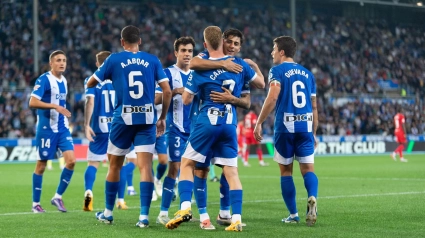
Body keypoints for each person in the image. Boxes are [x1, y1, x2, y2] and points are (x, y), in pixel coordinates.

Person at [165, 26, 259, 232]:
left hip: (206, 122)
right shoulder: (240, 66)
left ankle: (185, 208)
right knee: (231, 172)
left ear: (205, 45)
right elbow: (260, 84)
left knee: (188, 165)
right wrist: (253, 65)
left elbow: (188, 100)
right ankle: (235, 218)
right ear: (223, 42)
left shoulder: (200, 69)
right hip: (229, 124)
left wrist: (197, 89)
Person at [86, 25, 172, 227]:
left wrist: (109, 74)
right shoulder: (152, 60)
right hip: (147, 119)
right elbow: (167, 91)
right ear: (139, 41)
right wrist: (162, 118)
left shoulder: (114, 59)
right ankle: (143, 216)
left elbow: (91, 82)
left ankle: (108, 212)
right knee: (145, 167)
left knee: (115, 165)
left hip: (122, 119)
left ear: (122, 42)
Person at [189, 28, 264, 228]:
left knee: (223, 171)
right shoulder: (206, 57)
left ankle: (223, 214)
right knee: (203, 169)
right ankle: (204, 216)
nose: (232, 46)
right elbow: (194, 63)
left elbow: (248, 101)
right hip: (208, 122)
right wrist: (221, 63)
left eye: (236, 44)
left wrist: (232, 98)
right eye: (229, 42)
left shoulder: (240, 68)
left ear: (240, 47)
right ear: (222, 41)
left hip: (223, 124)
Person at [253, 36, 319, 227]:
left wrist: (259, 122)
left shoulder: (277, 70)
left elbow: (273, 97)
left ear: (282, 52)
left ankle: (293, 214)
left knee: (286, 172)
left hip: (285, 127)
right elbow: (314, 107)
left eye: (274, 49)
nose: (272, 52)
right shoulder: (308, 74)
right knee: (308, 170)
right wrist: (314, 132)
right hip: (306, 126)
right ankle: (312, 197)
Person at [155, 36, 196, 225]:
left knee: (194, 170)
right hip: (176, 129)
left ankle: (185, 209)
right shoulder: (168, 73)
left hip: (196, 130)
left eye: (190, 51)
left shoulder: (197, 73)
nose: (187, 54)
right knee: (175, 168)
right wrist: (172, 91)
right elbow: (155, 98)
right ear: (176, 53)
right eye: (184, 50)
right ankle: (163, 213)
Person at [29, 50, 76, 213]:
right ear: (51, 63)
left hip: (62, 128)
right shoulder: (44, 79)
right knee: (41, 165)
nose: (62, 63)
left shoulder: (64, 80)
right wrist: (54, 106)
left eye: (64, 60)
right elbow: (32, 101)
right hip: (46, 128)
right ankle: (36, 204)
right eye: (58, 60)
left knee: (71, 161)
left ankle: (57, 197)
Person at [83, 51, 116, 212]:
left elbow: (90, 102)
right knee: (116, 165)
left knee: (93, 164)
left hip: (98, 129)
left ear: (97, 64)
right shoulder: (119, 79)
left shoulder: (92, 80)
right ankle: (119, 200)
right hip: (117, 128)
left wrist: (86, 124)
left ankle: (88, 192)